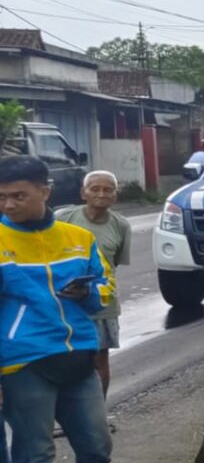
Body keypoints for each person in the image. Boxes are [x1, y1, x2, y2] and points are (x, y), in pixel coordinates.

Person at [0, 156, 130, 463]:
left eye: (18, 195)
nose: (8, 205)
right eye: (1, 197)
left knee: (96, 446)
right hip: (24, 363)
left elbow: (106, 288)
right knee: (34, 455)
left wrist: (87, 294)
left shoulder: (79, 238)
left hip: (78, 358)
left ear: (45, 191)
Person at [57, 170, 133, 397]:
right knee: (63, 360)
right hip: (65, 303)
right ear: (83, 193)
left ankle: (98, 414)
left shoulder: (121, 225)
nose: (101, 194)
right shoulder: (63, 218)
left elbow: (114, 263)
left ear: (115, 196)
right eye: (95, 189)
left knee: (100, 361)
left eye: (108, 190)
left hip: (103, 303)